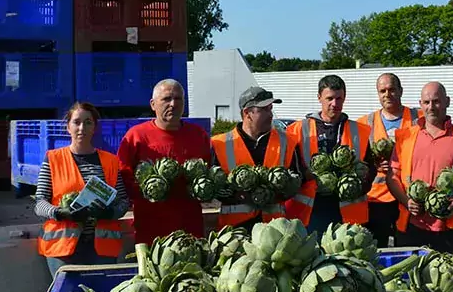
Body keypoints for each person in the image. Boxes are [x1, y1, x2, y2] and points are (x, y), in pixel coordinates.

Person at [34, 102, 131, 276]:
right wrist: (60, 213)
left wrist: (110, 213)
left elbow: (123, 201)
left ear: (94, 128)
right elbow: (39, 202)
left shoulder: (111, 161)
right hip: (62, 249)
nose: (82, 128)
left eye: (88, 122)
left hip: (102, 248)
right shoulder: (53, 159)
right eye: (76, 122)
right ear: (68, 127)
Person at [386, 82, 453, 254]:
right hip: (411, 226)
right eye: (426, 102)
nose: (431, 107)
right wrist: (407, 202)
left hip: (449, 229)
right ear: (420, 104)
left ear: (447, 102)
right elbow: (392, 176)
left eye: (436, 101)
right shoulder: (405, 136)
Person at [117, 79, 212, 244]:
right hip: (151, 229)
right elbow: (122, 177)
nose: (173, 104)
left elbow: (209, 171)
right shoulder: (136, 136)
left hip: (190, 228)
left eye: (178, 98)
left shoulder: (199, 135)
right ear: (153, 104)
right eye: (166, 99)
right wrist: (150, 189)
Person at [285, 75, 374, 236]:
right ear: (319, 98)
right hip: (310, 212)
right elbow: (288, 170)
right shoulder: (297, 130)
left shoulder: (360, 131)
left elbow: (370, 169)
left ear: (344, 97)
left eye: (339, 98)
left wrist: (358, 186)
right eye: (330, 98)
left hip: (348, 212)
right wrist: (305, 176)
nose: (335, 104)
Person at [211, 86, 305, 232]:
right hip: (235, 232)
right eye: (264, 109)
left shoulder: (287, 142)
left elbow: (297, 180)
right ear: (247, 113)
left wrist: (276, 192)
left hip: (275, 230)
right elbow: (214, 188)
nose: (270, 114)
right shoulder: (219, 144)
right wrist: (240, 196)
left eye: (271, 108)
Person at [358, 73, 421, 247]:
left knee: (408, 248)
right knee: (378, 251)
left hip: (410, 196)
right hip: (378, 200)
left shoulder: (420, 118)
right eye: (382, 90)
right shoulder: (365, 123)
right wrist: (373, 163)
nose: (387, 94)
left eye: (392, 89)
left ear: (400, 91)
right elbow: (358, 161)